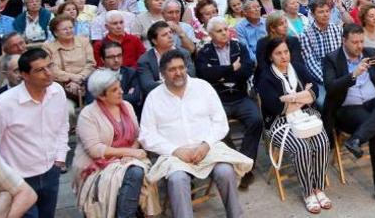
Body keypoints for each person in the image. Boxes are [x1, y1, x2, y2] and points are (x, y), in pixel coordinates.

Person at [139, 50, 252, 218]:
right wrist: (175, 150)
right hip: (174, 156)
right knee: (177, 180)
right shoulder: (154, 97)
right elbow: (147, 135)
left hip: (208, 149)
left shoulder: (203, 87)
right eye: (172, 69)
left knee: (225, 172)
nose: (178, 73)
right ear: (162, 73)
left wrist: (206, 144)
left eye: (181, 67)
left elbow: (220, 122)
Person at [322, 24, 375, 213]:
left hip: (373, 103)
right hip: (348, 108)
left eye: (361, 41)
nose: (359, 46)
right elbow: (331, 87)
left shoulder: (370, 52)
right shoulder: (332, 58)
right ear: (344, 40)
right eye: (354, 42)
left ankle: (357, 139)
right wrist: (353, 74)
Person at [0, 48, 70, 218]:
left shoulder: (57, 91)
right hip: (18, 179)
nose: (48, 73)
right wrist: (5, 178)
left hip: (50, 172)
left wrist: (60, 158)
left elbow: (62, 125)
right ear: (24, 75)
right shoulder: (1, 105)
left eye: (49, 66)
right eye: (40, 70)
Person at [256, 38, 332, 214]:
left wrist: (290, 98)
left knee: (322, 143)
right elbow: (276, 107)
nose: (284, 56)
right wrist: (303, 95)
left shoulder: (298, 67)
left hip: (305, 118)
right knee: (301, 147)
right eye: (278, 53)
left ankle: (318, 188)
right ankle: (308, 192)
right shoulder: (265, 77)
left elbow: (315, 93)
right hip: (278, 122)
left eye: (286, 52)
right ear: (270, 56)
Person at [73, 69, 159, 218]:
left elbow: (138, 135)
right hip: (98, 165)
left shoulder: (127, 106)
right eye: (114, 90)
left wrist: (131, 152)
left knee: (136, 170)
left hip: (128, 160)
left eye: (119, 87)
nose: (121, 91)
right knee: (135, 172)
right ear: (101, 95)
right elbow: (95, 150)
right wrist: (129, 153)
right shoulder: (88, 114)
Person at [195, 17, 263, 189]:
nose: (225, 33)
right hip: (218, 101)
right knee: (218, 127)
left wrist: (220, 74)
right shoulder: (204, 51)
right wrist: (232, 68)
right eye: (219, 30)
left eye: (226, 29)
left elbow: (247, 71)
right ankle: (235, 161)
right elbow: (204, 75)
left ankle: (246, 166)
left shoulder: (239, 46)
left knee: (256, 120)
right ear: (210, 34)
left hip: (240, 96)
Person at [43, 14, 96, 108]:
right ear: (55, 33)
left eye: (71, 27)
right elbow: (52, 69)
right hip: (61, 86)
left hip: (85, 84)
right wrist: (72, 77)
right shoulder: (48, 47)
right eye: (64, 29)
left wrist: (79, 79)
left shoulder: (84, 41)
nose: (69, 31)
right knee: (68, 110)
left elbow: (90, 64)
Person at [137, 21, 196, 97]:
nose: (170, 36)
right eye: (164, 35)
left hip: (185, 94)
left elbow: (191, 76)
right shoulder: (145, 60)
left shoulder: (184, 53)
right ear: (154, 41)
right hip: (158, 98)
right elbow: (148, 86)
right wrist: (174, 83)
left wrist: (162, 82)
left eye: (170, 32)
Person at [86, 41, 144, 116]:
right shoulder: (94, 78)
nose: (116, 60)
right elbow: (92, 102)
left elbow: (135, 98)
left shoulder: (131, 73)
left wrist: (107, 98)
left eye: (119, 55)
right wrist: (126, 96)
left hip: (129, 115)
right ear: (102, 60)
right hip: (103, 117)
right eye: (111, 57)